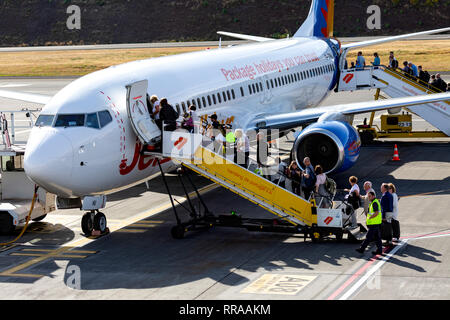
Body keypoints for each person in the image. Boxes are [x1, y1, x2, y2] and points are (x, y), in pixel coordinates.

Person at [356, 191, 383, 255]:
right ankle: (379, 250)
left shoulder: (374, 203)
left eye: (370, 196)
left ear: (374, 196)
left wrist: (370, 217)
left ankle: (362, 249)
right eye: (368, 196)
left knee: (368, 237)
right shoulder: (373, 202)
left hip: (374, 223)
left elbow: (376, 212)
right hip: (376, 223)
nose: (369, 198)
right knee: (377, 238)